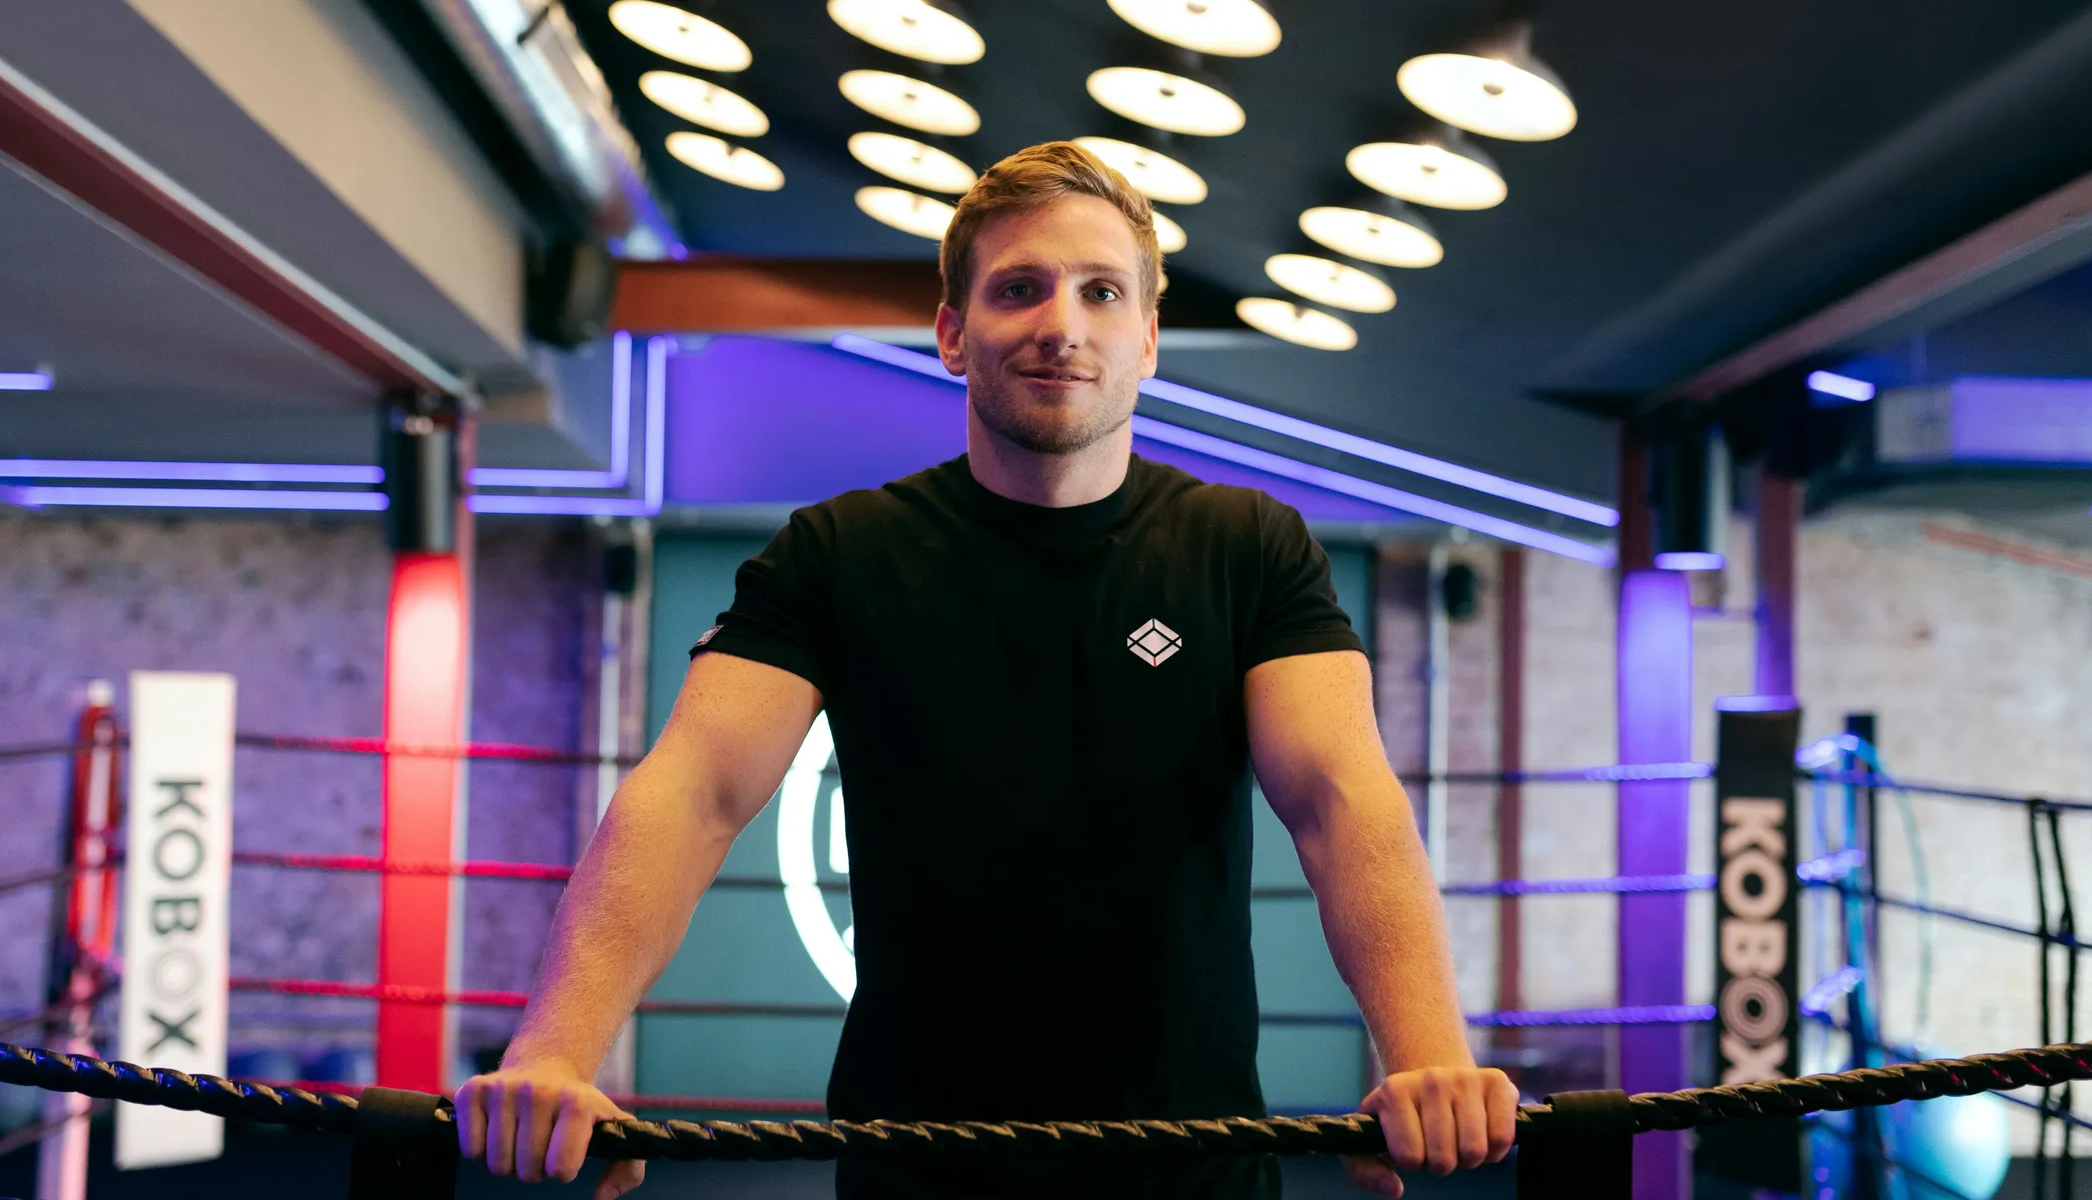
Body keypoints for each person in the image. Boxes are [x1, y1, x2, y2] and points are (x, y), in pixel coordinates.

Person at [455, 141, 1517, 1200]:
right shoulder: (836, 553)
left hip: (1189, 1173)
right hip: (917, 1170)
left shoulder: (1249, 547)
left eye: (1102, 292)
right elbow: (692, 793)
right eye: (1020, 289)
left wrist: (1424, 1053)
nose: (1063, 324)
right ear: (954, 335)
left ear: (1146, 339)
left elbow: (1340, 798)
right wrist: (557, 1050)